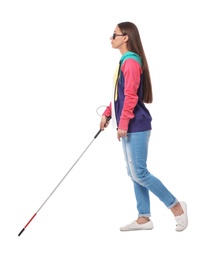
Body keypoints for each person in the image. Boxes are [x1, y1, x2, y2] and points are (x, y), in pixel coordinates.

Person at [99, 21, 188, 232]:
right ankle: (144, 217)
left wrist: (122, 123)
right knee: (133, 172)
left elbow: (130, 97)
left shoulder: (130, 63)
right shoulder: (124, 62)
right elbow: (119, 96)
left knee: (139, 172)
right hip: (128, 124)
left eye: (114, 34)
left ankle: (177, 207)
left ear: (125, 37)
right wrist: (108, 113)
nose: (111, 38)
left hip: (136, 125)